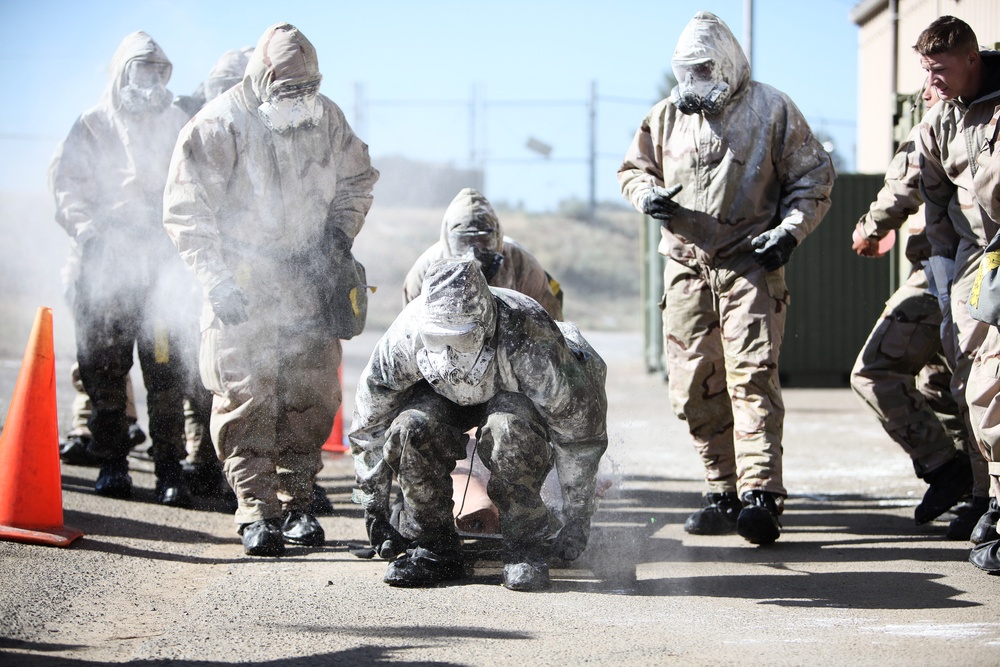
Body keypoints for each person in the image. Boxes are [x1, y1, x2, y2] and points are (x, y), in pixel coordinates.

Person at [617, 11, 835, 546]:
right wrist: (647, 195)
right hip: (687, 264)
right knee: (693, 384)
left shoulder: (772, 109)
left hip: (750, 264)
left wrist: (789, 232)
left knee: (751, 376)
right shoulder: (665, 116)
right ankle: (721, 489)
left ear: (728, 63)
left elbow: (813, 177)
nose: (693, 82)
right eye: (685, 71)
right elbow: (632, 169)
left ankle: (761, 494)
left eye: (703, 69)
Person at [162, 23, 379, 557]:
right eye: (289, 90)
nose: (301, 98)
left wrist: (336, 236)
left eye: (309, 87)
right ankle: (256, 510)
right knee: (245, 397)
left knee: (311, 396)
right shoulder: (218, 124)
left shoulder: (325, 116)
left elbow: (358, 178)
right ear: (263, 79)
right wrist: (214, 278)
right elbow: (186, 211)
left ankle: (298, 501)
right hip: (243, 282)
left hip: (309, 280)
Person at [351, 258, 608, 591]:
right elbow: (369, 425)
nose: (451, 353)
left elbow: (577, 435)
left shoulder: (530, 337)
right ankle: (432, 546)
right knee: (409, 431)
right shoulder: (405, 338)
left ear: (485, 324)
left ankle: (525, 546)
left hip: (511, 393)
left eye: (461, 339)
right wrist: (372, 506)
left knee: (509, 433)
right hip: (436, 395)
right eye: (439, 340)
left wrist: (578, 514)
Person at [49, 31, 192, 506]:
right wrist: (88, 232)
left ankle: (170, 468)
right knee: (105, 370)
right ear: (122, 73)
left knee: (167, 372)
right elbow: (67, 185)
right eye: (141, 69)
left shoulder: (178, 121)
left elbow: (195, 183)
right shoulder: (93, 124)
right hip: (108, 264)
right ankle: (112, 463)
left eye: (158, 69)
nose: (150, 79)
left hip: (163, 268)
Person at [850, 82, 983, 539]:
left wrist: (869, 229)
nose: (927, 89)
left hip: (947, 272)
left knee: (877, 370)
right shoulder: (965, 117)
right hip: (949, 269)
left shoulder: (946, 120)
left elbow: (903, 183)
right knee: (942, 382)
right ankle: (975, 493)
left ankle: (953, 473)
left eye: (933, 77)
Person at [914, 16, 1000, 566]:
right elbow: (934, 192)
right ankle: (985, 498)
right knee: (977, 383)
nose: (933, 80)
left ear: (973, 59)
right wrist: (942, 265)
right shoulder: (941, 120)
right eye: (926, 70)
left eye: (941, 69)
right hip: (984, 260)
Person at [403, 187, 564, 321]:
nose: (473, 253)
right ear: (448, 239)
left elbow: (552, 330)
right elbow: (409, 336)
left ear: (498, 236)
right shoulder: (426, 271)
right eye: (464, 242)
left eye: (483, 241)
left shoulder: (522, 265)